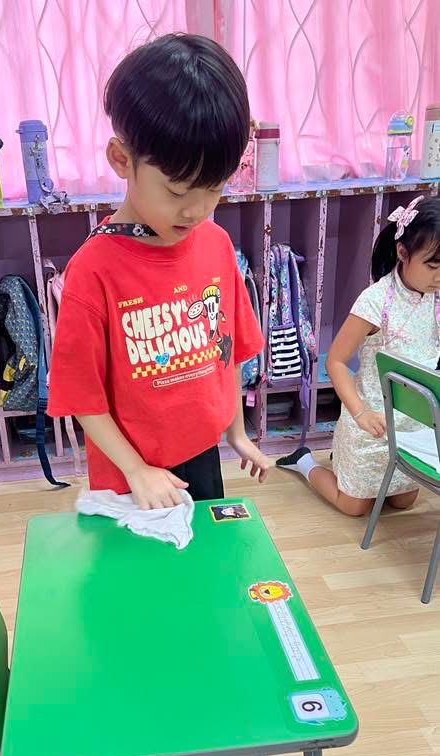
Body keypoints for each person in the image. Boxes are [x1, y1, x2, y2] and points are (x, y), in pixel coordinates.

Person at [48, 33, 269, 508]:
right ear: (121, 160)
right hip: (131, 474)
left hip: (203, 456)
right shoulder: (93, 270)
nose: (196, 210)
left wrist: (236, 432)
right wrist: (136, 470)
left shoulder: (216, 245)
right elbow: (82, 396)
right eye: (178, 191)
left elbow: (227, 351)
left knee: (205, 556)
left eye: (215, 189)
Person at [276, 195, 440, 516]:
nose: (439, 276)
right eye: (433, 266)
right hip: (370, 421)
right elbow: (335, 361)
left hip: (413, 423)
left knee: (404, 501)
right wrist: (361, 413)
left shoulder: (435, 297)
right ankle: (304, 461)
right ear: (402, 252)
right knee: (354, 507)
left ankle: (342, 460)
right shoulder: (376, 301)